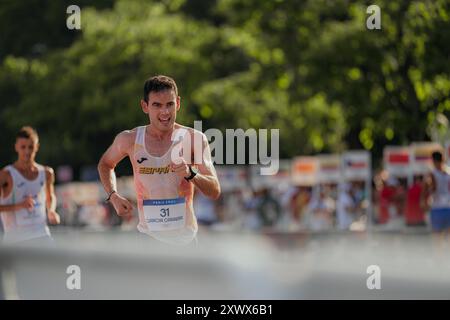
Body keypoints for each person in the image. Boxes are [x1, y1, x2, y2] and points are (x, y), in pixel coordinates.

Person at [97, 75, 221, 246]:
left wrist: (191, 174)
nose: (165, 112)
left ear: (178, 103)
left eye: (169, 104)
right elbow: (105, 164)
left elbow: (214, 190)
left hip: (185, 240)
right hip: (148, 238)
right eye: (157, 105)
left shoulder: (194, 139)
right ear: (145, 106)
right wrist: (113, 195)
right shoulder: (130, 139)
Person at [0, 126, 60, 244]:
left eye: (30, 147)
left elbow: (50, 196)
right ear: (16, 147)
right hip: (16, 241)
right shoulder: (6, 175)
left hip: (42, 235)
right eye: (23, 147)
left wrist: (52, 211)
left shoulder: (47, 173)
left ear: (36, 147)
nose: (27, 151)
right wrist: (19, 205)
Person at [424, 150, 450, 242]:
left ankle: (439, 256)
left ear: (433, 160)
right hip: (448, 207)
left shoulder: (432, 173)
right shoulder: (448, 172)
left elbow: (432, 188)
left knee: (437, 239)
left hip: (437, 208)